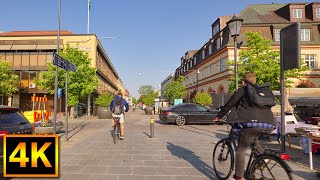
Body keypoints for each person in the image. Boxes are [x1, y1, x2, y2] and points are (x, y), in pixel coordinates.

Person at [214, 72, 276, 180]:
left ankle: (238, 176)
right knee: (252, 139)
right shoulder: (261, 91)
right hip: (269, 123)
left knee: (241, 150)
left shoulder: (243, 90)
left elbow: (230, 104)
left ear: (244, 82)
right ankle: (262, 159)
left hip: (251, 123)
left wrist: (219, 116)